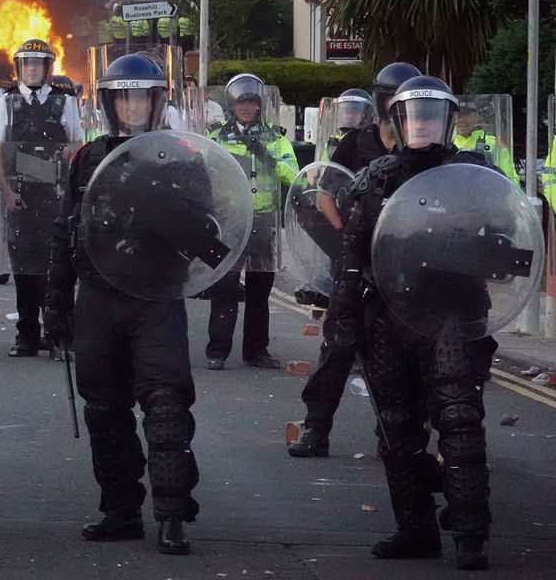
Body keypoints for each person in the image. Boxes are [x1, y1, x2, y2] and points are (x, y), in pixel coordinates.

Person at [329, 75, 496, 570]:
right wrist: (343, 322)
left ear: (446, 119)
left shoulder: (472, 172)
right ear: (399, 121)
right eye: (413, 115)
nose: (422, 123)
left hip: (451, 313)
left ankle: (470, 533)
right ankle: (416, 528)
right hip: (390, 314)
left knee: (459, 422)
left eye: (431, 114)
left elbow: (497, 235)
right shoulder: (375, 177)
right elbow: (352, 258)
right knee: (397, 430)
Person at [44, 54, 198, 554]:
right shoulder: (88, 157)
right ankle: (120, 509)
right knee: (105, 409)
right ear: (110, 103)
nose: (133, 105)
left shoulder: (183, 157)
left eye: (143, 96)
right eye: (124, 96)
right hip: (99, 295)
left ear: (158, 101)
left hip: (156, 294)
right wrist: (56, 303)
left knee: (166, 405)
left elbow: (207, 233)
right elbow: (67, 232)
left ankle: (172, 514)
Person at [288, 62, 420, 458]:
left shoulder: (422, 151)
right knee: (338, 349)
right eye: (390, 102)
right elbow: (326, 191)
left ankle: (393, 434)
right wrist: (347, 237)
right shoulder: (356, 142)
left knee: (401, 356)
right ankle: (316, 428)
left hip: (404, 267)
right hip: (354, 265)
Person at [0, 40, 82, 357]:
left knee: (56, 268)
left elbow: (77, 145)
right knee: (24, 269)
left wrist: (62, 160)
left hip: (53, 196)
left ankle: (58, 336)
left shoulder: (64, 102)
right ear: (19, 68)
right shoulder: (6, 102)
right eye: (26, 64)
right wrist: (7, 191)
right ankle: (26, 335)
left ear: (47, 68)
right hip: (20, 198)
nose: (31, 70)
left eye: (37, 64)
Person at [205, 73, 298, 370]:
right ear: (232, 105)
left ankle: (256, 351)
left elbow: (293, 176)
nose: (246, 107)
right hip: (230, 221)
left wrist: (267, 157)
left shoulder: (276, 137)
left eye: (251, 102)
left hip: (264, 222)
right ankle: (217, 350)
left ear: (259, 105)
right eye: (241, 102)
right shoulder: (216, 136)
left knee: (260, 289)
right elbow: (205, 173)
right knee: (224, 286)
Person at [452, 99, 518, 182]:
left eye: (467, 114)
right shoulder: (445, 145)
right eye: (458, 116)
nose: (461, 119)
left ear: (476, 117)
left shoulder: (496, 143)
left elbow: (511, 180)